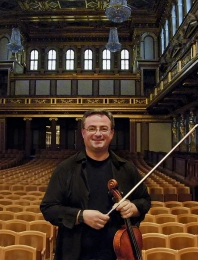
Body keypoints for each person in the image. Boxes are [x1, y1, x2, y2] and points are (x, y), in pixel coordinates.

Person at [40, 109, 151, 260]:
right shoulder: (66, 168)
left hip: (117, 253)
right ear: (83, 133)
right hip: (75, 254)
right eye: (92, 128)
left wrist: (134, 208)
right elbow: (48, 208)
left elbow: (144, 200)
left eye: (104, 128)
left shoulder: (126, 168)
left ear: (111, 133)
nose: (98, 133)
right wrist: (81, 216)